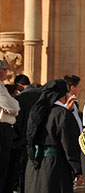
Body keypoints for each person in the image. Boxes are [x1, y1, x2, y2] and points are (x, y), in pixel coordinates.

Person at [25, 79, 82, 193]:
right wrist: (78, 169)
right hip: (54, 166)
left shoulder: (37, 111)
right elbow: (70, 144)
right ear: (62, 96)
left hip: (34, 165)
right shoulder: (62, 114)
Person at [0, 60, 20, 193]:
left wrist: (12, 109)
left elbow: (13, 107)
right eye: (6, 70)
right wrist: (13, 108)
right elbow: (13, 106)